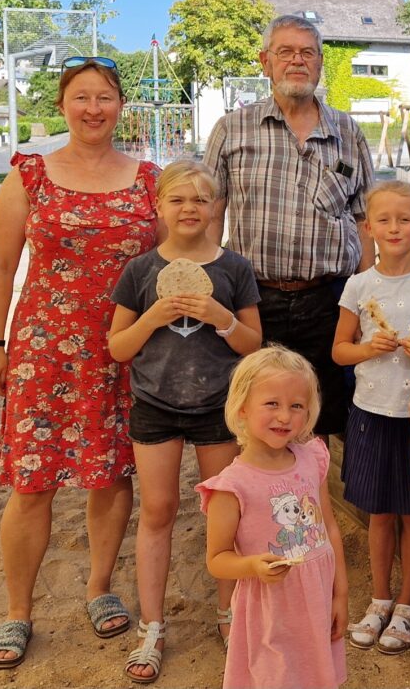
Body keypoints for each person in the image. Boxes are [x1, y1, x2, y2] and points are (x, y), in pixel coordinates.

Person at [0, 57, 159, 669]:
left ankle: (99, 586)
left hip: (122, 349)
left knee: (110, 475)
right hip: (43, 353)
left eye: (104, 97)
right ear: (63, 105)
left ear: (120, 105)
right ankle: (16, 612)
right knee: (33, 482)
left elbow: (169, 264)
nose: (92, 108)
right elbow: (1, 266)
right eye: (81, 97)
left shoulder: (149, 181)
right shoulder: (29, 176)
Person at [108, 161, 263, 682]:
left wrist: (221, 317)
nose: (190, 209)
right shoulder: (141, 271)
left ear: (217, 207)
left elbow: (252, 343)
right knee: (158, 510)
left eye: (201, 199)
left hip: (219, 407)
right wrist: (154, 314)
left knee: (224, 514)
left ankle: (229, 615)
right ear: (159, 208)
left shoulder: (234, 269)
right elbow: (119, 347)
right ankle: (151, 625)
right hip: (154, 404)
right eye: (178, 200)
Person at [203, 13, 374, 439]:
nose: (296, 61)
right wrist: (212, 288)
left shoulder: (348, 132)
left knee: (328, 412)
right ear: (265, 62)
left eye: (307, 53)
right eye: (285, 52)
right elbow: (210, 213)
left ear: (319, 64)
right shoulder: (232, 128)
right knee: (257, 411)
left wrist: (369, 295)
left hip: (331, 300)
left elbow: (366, 220)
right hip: (253, 300)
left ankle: (320, 502)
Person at [332, 181, 410, 654]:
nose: (393, 227)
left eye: (404, 220)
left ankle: (407, 604)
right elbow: (340, 351)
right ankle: (379, 597)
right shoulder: (358, 285)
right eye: (383, 220)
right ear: (367, 228)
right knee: (378, 515)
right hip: (370, 414)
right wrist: (370, 348)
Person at [197, 346, 349, 688]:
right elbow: (217, 560)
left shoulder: (312, 457)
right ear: (242, 407)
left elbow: (329, 528)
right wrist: (252, 567)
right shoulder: (231, 487)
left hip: (318, 598)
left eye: (296, 405)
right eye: (272, 404)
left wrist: (341, 595)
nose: (285, 416)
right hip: (270, 612)